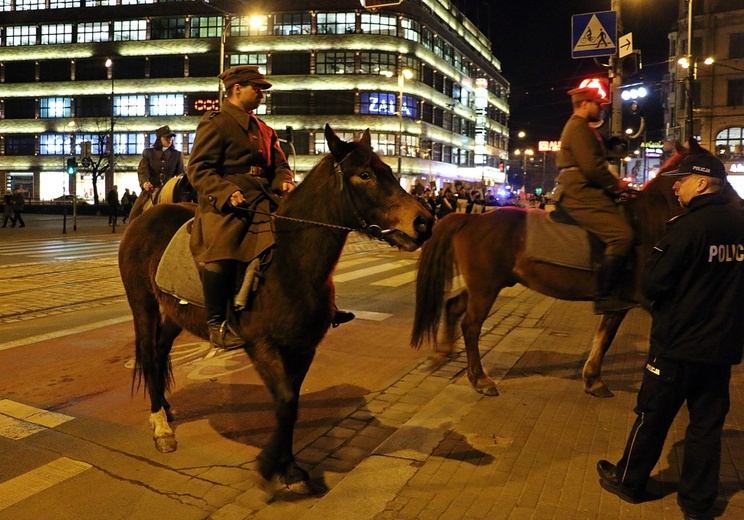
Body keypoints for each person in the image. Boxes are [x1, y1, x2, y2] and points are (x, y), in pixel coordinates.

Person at [596, 155, 744, 520]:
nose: (675, 185)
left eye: (682, 179)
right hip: (721, 348)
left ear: (704, 183)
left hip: (676, 346)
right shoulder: (741, 226)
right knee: (707, 426)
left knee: (653, 414)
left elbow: (652, 283)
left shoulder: (686, 228)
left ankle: (629, 481)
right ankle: (697, 504)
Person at [188, 65, 353, 351]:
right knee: (223, 248)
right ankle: (217, 323)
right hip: (229, 204)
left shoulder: (265, 129)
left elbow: (279, 165)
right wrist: (227, 193)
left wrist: (285, 182)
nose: (262, 94)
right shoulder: (216, 122)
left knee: (303, 240)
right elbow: (199, 168)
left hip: (264, 198)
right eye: (257, 88)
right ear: (237, 88)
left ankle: (322, 305)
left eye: (263, 89)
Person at [553, 85, 633, 314]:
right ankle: (604, 296)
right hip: (580, 193)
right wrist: (616, 184)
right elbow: (592, 167)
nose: (601, 109)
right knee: (622, 236)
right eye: (598, 105)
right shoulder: (579, 128)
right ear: (585, 104)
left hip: (584, 190)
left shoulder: (582, 128)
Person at [137, 125, 185, 197]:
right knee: (137, 207)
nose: (169, 140)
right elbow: (143, 171)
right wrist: (145, 183)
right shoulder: (148, 153)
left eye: (171, 137)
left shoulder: (177, 155)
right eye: (166, 137)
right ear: (159, 139)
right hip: (151, 190)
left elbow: (180, 174)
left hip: (170, 191)